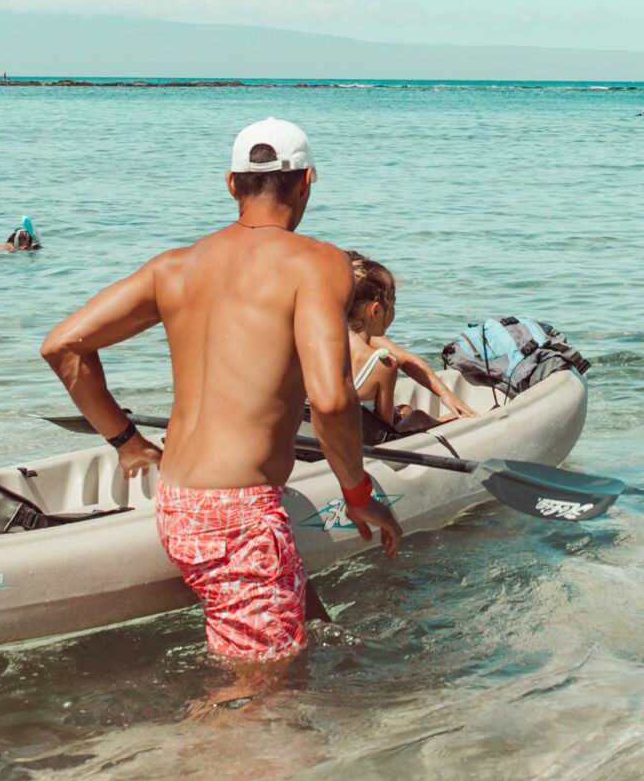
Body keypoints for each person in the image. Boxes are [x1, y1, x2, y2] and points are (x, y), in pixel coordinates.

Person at [38, 118, 401, 682]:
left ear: (231, 184)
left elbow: (62, 347)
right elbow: (330, 402)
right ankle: (191, 766)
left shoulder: (174, 267)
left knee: (301, 631)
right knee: (260, 697)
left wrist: (127, 442)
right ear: (307, 181)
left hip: (179, 501)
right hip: (239, 515)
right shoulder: (318, 263)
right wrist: (357, 493)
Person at [342, 254, 478, 439]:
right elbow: (384, 431)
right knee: (419, 417)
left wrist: (445, 394)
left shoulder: (313, 346)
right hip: (365, 444)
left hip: (322, 438)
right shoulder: (383, 366)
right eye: (393, 300)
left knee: (404, 410)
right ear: (375, 310)